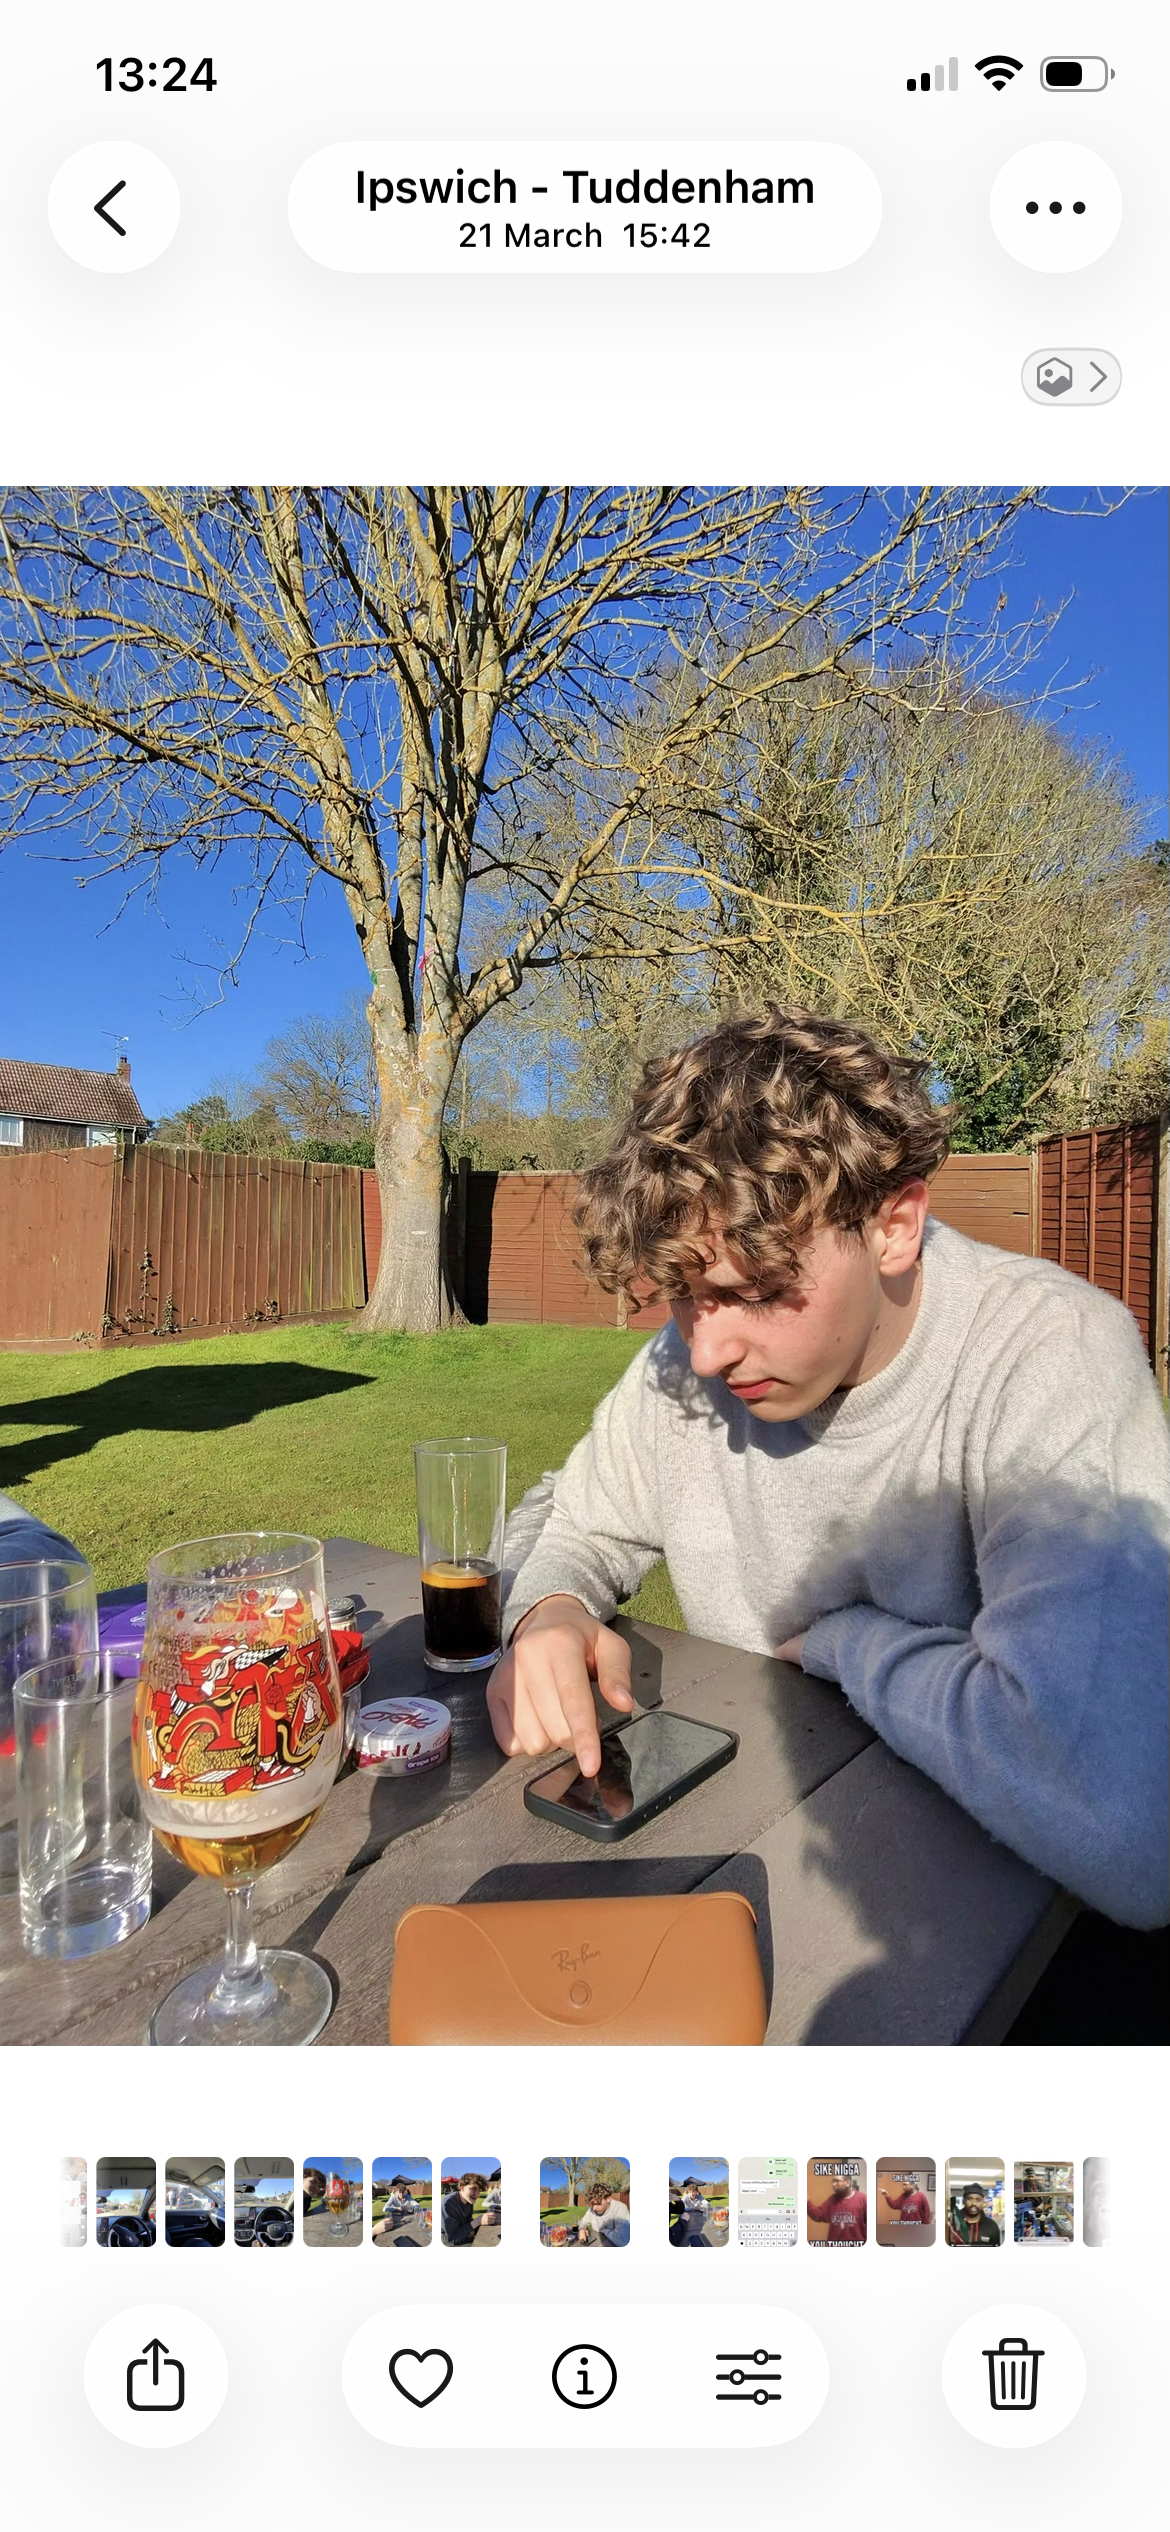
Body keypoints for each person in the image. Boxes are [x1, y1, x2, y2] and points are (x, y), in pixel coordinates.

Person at [489, 1007, 1169, 1929]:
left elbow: (1124, 1832)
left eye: (754, 1291)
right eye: (686, 1298)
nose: (705, 1356)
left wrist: (847, 1645)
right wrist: (551, 1609)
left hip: (989, 1941)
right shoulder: (685, 1364)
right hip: (749, 1874)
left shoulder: (1051, 1356)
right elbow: (577, 1517)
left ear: (894, 1225)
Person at [807, 2176, 867, 2242]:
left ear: (847, 2182)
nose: (833, 2184)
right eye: (833, 2181)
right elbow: (818, 2215)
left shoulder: (863, 2199)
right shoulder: (832, 2199)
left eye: (837, 2181)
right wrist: (807, 2202)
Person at [441, 2172, 485, 2246]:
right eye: (473, 2189)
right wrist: (477, 2221)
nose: (476, 2194)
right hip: (450, 2239)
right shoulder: (448, 2203)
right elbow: (453, 2239)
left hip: (463, 2231)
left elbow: (468, 2220)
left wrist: (479, 2223)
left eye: (479, 2190)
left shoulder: (469, 2200)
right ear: (462, 2187)